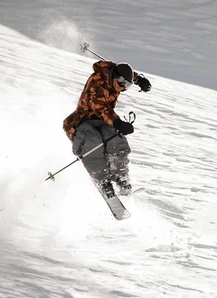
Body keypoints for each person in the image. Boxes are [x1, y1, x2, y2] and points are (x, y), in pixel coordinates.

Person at [63, 60, 151, 198]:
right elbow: (99, 107)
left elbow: (126, 74)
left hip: (103, 121)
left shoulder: (117, 78)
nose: (122, 86)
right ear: (114, 76)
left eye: (127, 85)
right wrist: (117, 122)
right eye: (122, 82)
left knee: (115, 139)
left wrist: (138, 79)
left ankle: (121, 175)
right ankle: (103, 180)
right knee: (93, 143)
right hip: (82, 122)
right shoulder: (97, 82)